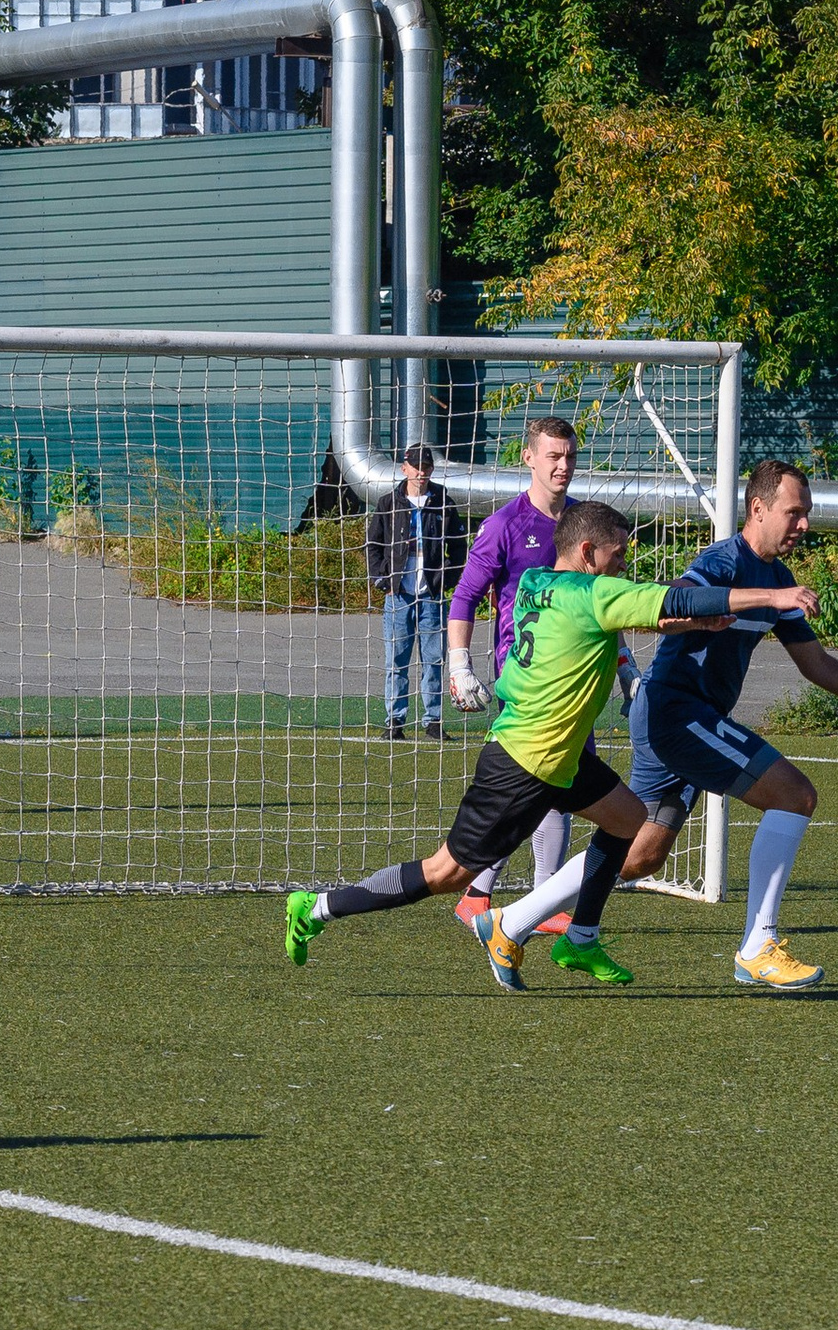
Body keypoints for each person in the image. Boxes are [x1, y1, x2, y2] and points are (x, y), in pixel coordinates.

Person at [489, 460, 838, 994]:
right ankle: (757, 945)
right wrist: (718, 610)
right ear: (759, 509)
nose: (804, 525)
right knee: (794, 796)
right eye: (794, 513)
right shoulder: (724, 561)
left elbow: (815, 663)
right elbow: (674, 604)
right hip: (677, 714)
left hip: (677, 715)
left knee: (644, 853)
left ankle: (510, 923)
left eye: (807, 515)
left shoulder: (778, 578)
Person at [285, 499, 771, 983]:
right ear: (586, 552)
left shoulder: (538, 582)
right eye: (618, 554)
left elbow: (656, 616)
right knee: (446, 873)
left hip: (559, 756)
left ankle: (580, 940)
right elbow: (672, 602)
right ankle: (319, 907)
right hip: (526, 763)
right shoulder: (594, 594)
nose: (624, 564)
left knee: (627, 818)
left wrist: (691, 620)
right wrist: (772, 596)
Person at [445, 416, 584, 918]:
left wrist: (627, 667)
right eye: (553, 456)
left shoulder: (583, 526)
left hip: (577, 679)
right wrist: (458, 665)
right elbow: (464, 598)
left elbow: (600, 602)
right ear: (529, 458)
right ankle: (534, 903)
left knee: (548, 789)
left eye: (569, 456)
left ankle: (485, 895)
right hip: (526, 681)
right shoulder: (505, 525)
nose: (563, 466)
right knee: (550, 787)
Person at [363, 442, 463, 738]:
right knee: (396, 659)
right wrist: (381, 579)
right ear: (404, 468)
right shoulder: (388, 503)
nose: (422, 472)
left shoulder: (443, 500)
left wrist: (448, 578)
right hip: (398, 595)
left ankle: (433, 721)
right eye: (417, 466)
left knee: (434, 659)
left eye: (427, 467)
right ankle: (395, 720)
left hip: (431, 595)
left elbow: (458, 546)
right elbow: (373, 545)